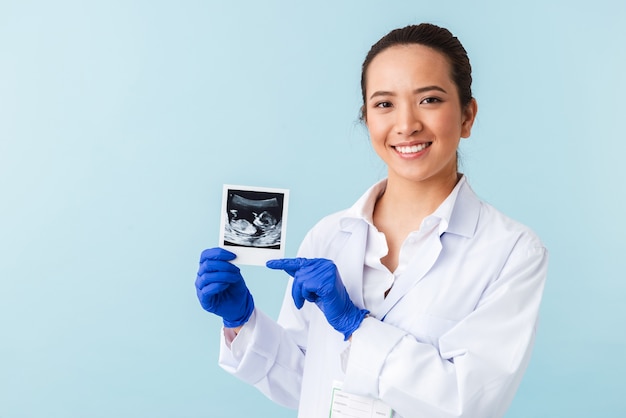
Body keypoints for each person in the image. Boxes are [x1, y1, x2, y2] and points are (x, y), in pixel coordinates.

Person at [195, 23, 548, 418]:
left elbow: (470, 403)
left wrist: (354, 324)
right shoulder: (328, 237)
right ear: (367, 120)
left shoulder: (511, 251)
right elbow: (303, 382)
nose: (407, 124)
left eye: (429, 99)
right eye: (384, 104)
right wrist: (241, 320)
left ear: (467, 116)